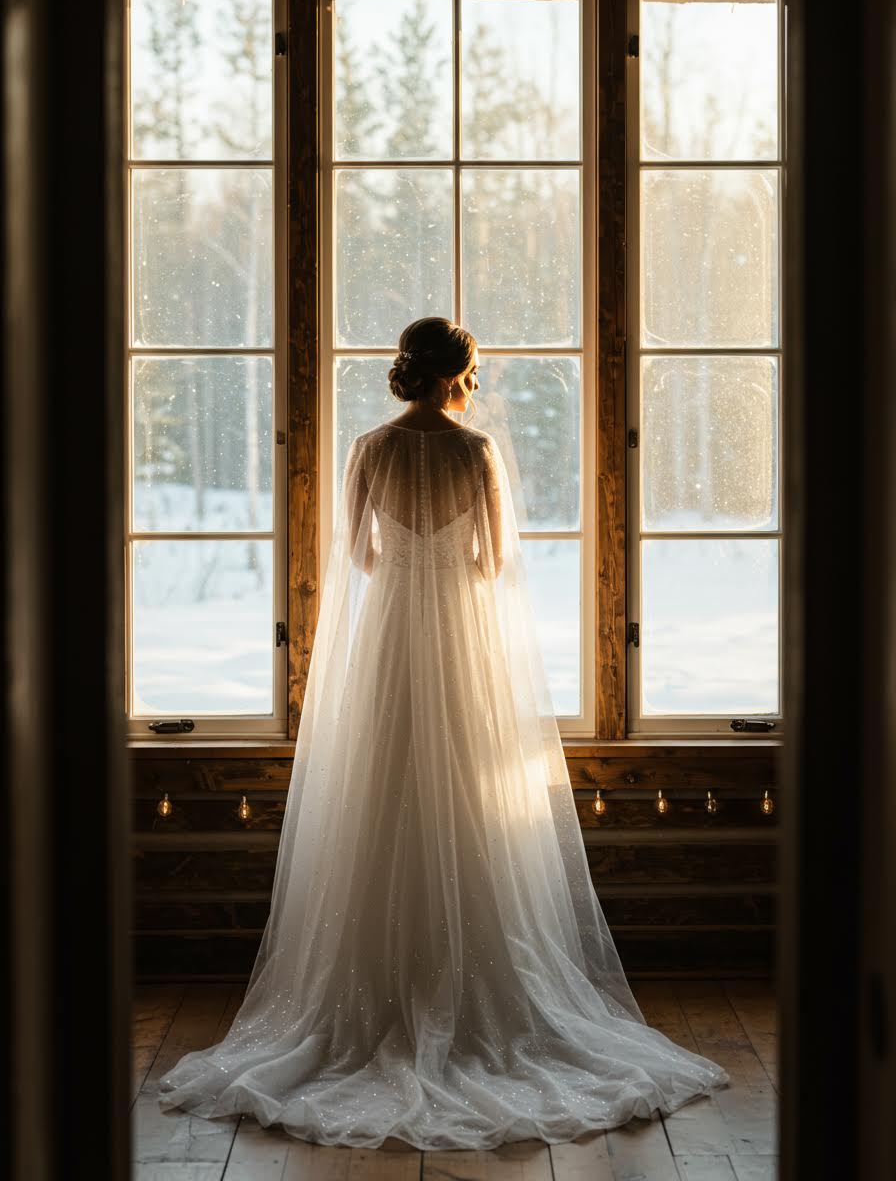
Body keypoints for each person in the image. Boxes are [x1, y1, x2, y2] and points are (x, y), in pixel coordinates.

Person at [158, 315, 728, 1150]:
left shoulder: (370, 449)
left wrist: (406, 561)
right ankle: (476, 980)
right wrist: (446, 559)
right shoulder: (477, 453)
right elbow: (495, 561)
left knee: (380, 782)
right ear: (457, 373)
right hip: (459, 633)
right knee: (469, 785)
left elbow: (356, 554)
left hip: (391, 631)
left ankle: (372, 986)